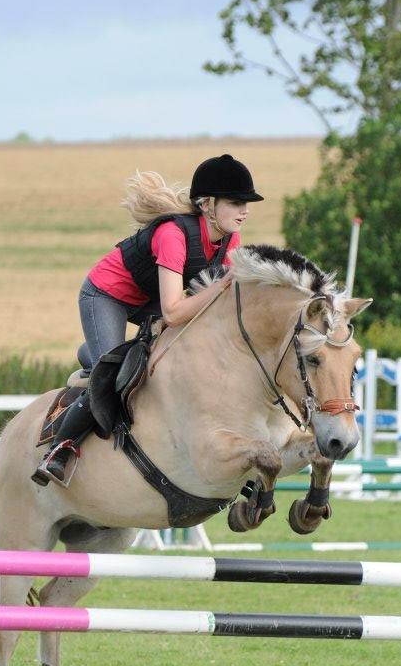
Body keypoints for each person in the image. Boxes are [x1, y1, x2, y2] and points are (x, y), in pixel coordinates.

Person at [32, 153, 264, 486]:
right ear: (209, 205)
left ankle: (95, 352)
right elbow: (173, 311)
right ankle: (60, 448)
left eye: (247, 203)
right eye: (236, 202)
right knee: (111, 375)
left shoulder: (230, 239)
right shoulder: (173, 234)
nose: (244, 210)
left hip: (148, 299)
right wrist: (224, 286)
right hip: (106, 295)